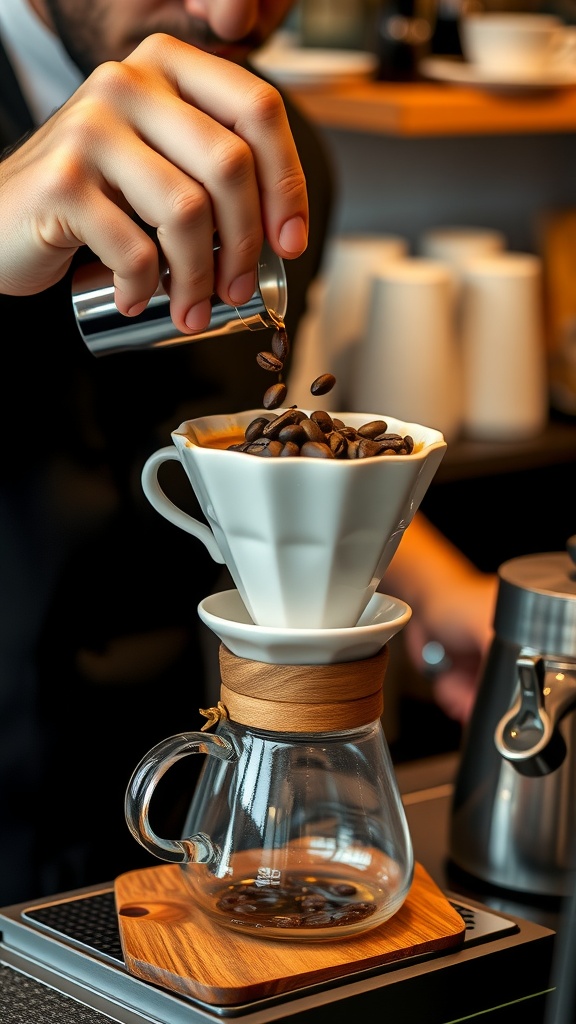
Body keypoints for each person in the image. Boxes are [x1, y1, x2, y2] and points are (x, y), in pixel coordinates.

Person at [0, 0, 497, 907]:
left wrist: (432, 590)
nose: (233, 9)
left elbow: (234, 448)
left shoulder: (268, 152)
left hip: (200, 811)